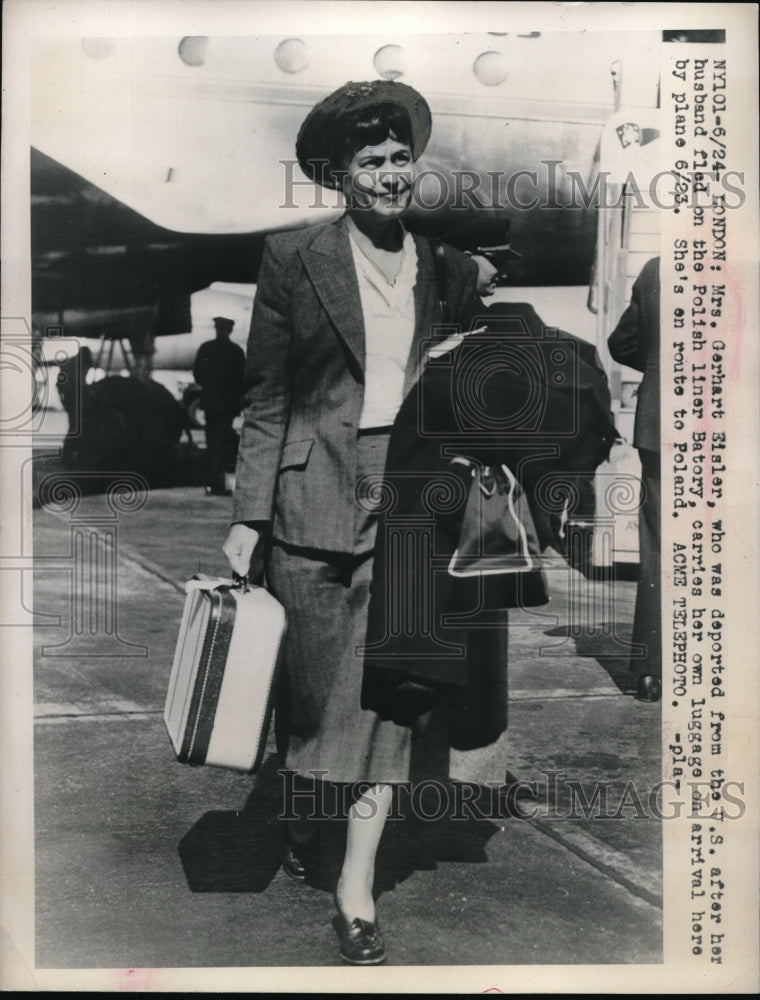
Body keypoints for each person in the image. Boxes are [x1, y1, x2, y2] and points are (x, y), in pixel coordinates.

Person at [222, 80, 493, 966]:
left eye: (399, 159)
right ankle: (308, 814)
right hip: (308, 500)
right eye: (371, 162)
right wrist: (246, 519)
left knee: (391, 702)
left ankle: (357, 886)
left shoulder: (446, 268)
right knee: (308, 701)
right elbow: (266, 400)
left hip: (411, 499)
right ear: (340, 175)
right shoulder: (294, 259)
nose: (389, 174)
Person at [607, 257, 661, 702]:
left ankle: (651, 671)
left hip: (662, 424)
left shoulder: (657, 270)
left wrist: (661, 364)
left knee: (660, 543)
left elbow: (622, 342)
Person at [192, 316, 245, 496]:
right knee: (222, 443)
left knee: (212, 441)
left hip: (211, 404)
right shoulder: (235, 351)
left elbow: (198, 374)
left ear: (216, 329)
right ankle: (218, 484)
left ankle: (211, 483)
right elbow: (242, 378)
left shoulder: (206, 348)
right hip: (228, 405)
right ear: (229, 330)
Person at [56, 345, 93, 428]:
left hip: (69, 395)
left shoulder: (68, 363)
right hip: (77, 394)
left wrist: (62, 397)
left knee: (73, 421)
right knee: (79, 421)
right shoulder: (84, 362)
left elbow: (59, 384)